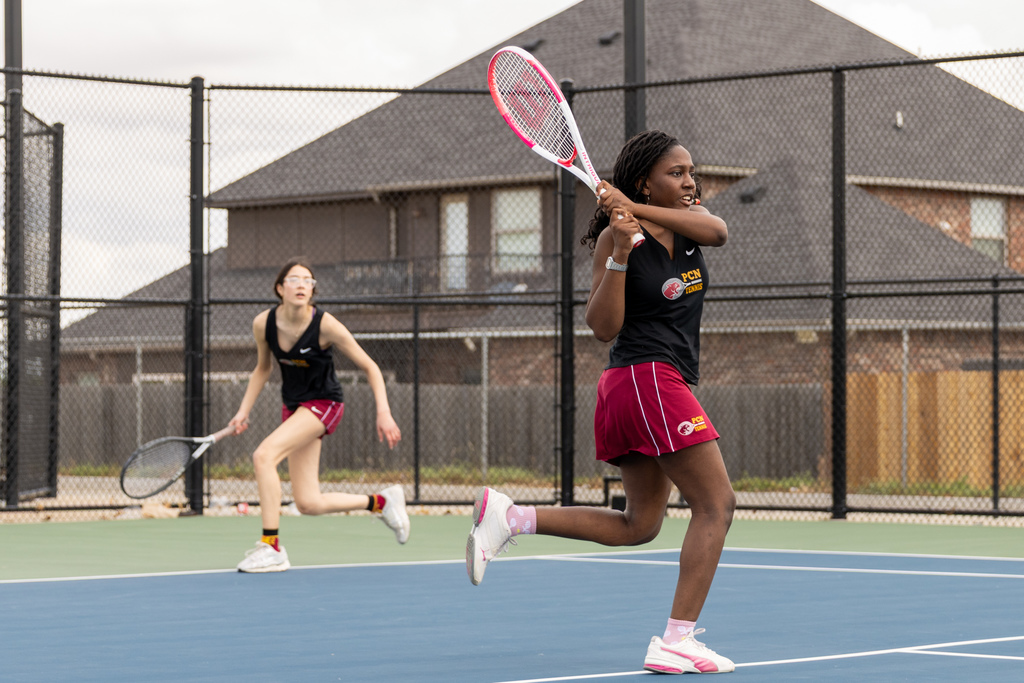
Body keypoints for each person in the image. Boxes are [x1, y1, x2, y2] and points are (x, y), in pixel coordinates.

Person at [465, 130, 737, 674]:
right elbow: (602, 327)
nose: (688, 181)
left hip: (651, 383)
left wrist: (630, 205)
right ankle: (677, 640)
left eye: (690, 172)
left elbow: (720, 231)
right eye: (675, 174)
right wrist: (618, 249)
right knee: (717, 504)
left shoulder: (692, 224)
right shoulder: (620, 240)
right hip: (644, 378)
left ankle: (512, 517)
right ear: (646, 180)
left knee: (641, 525)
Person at [229, 258, 407, 573]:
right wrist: (243, 411)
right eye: (294, 279)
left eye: (308, 281)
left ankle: (271, 548)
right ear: (280, 288)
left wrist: (384, 412)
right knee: (308, 503)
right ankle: (381, 502)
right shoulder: (263, 324)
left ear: (312, 291)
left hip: (325, 403)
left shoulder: (326, 325)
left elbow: (371, 367)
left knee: (264, 456)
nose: (302, 285)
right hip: (295, 407)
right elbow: (263, 369)